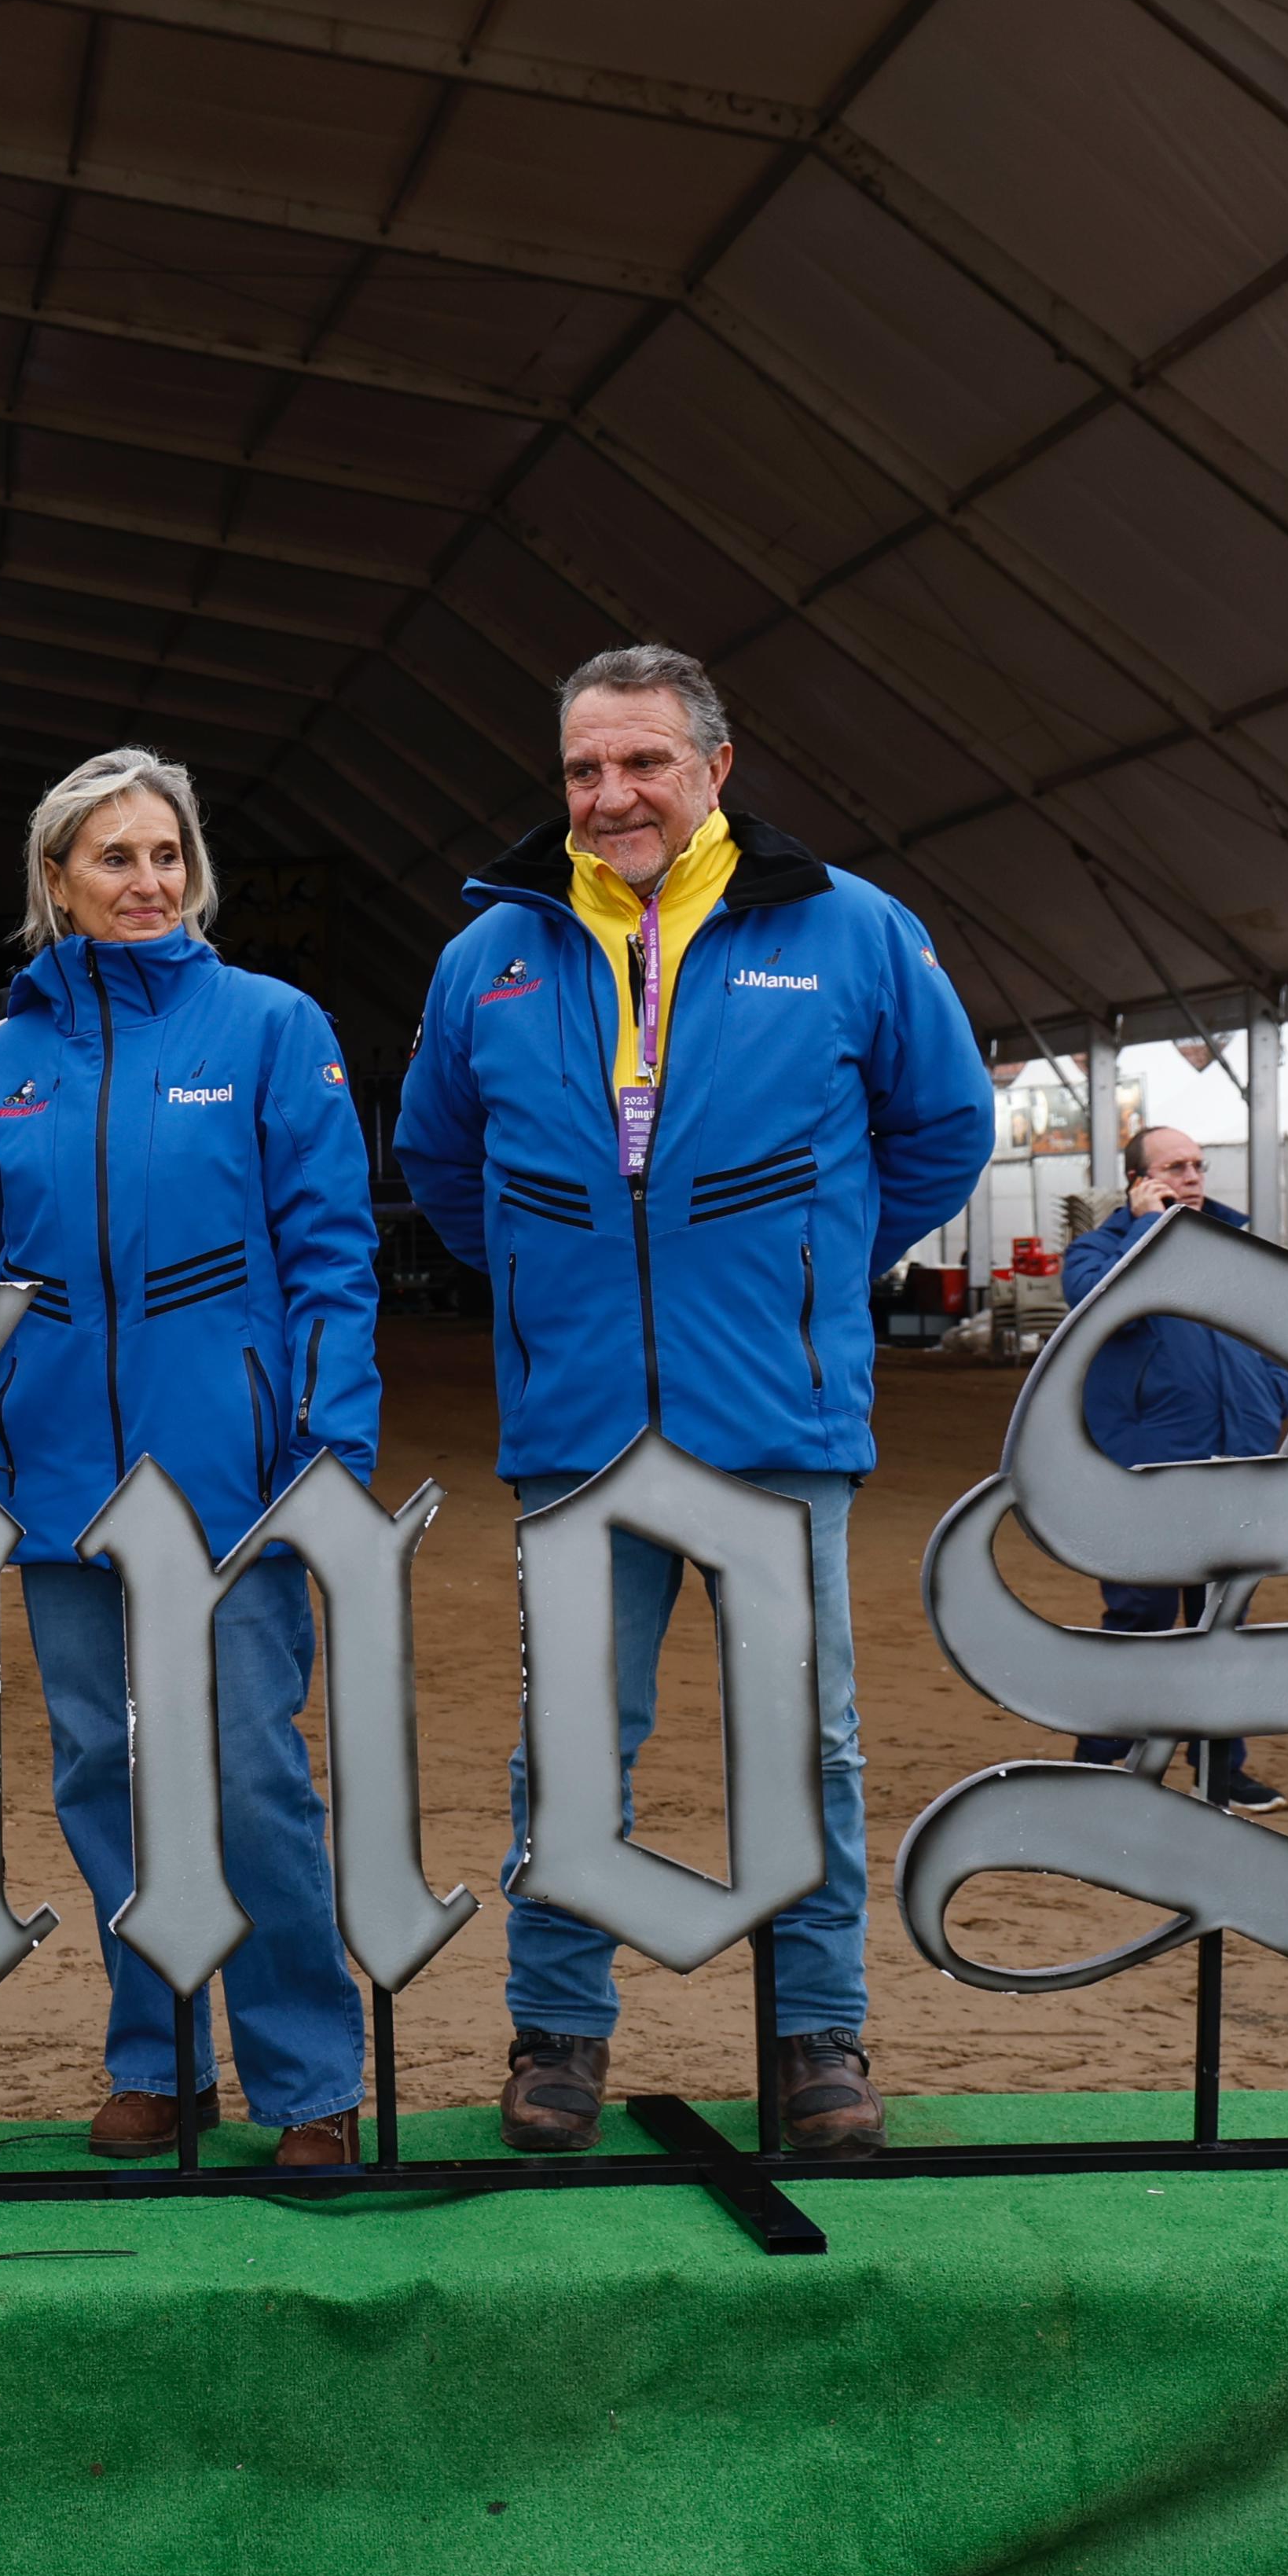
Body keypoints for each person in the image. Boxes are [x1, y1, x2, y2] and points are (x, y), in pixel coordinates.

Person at [393, 644, 989, 2160]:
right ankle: (558, 2030)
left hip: (773, 1417)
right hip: (580, 1423)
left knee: (804, 1741)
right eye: (585, 768)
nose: (612, 795)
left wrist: (803, 1270)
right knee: (571, 1740)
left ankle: (815, 2031)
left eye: (645, 761)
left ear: (716, 769)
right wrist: (554, 1283)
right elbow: (442, 1159)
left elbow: (943, 1129)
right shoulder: (492, 955)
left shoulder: (851, 930)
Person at [0, 747, 381, 2169]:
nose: (148, 881)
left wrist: (329, 1444)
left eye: (167, 855)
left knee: (250, 1779)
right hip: (61, 1484)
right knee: (104, 1774)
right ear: (57, 879)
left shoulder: (271, 1027)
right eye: (115, 858)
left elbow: (333, 1253)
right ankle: (159, 2057)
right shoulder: (11, 1060)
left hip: (232, 1480)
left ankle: (308, 2075)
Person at [1059, 1123, 1288, 1809]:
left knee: (1223, 1623)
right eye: (1174, 1167)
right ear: (1138, 1181)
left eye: (1198, 1165)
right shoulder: (1097, 1250)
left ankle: (1219, 1767)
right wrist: (1147, 1230)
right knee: (1141, 1618)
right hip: (1147, 1473)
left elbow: (1282, 1333)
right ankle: (1103, 1762)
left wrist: (1274, 1394)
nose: (1192, 1177)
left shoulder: (1235, 1251)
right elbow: (1103, 1308)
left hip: (1237, 1464)